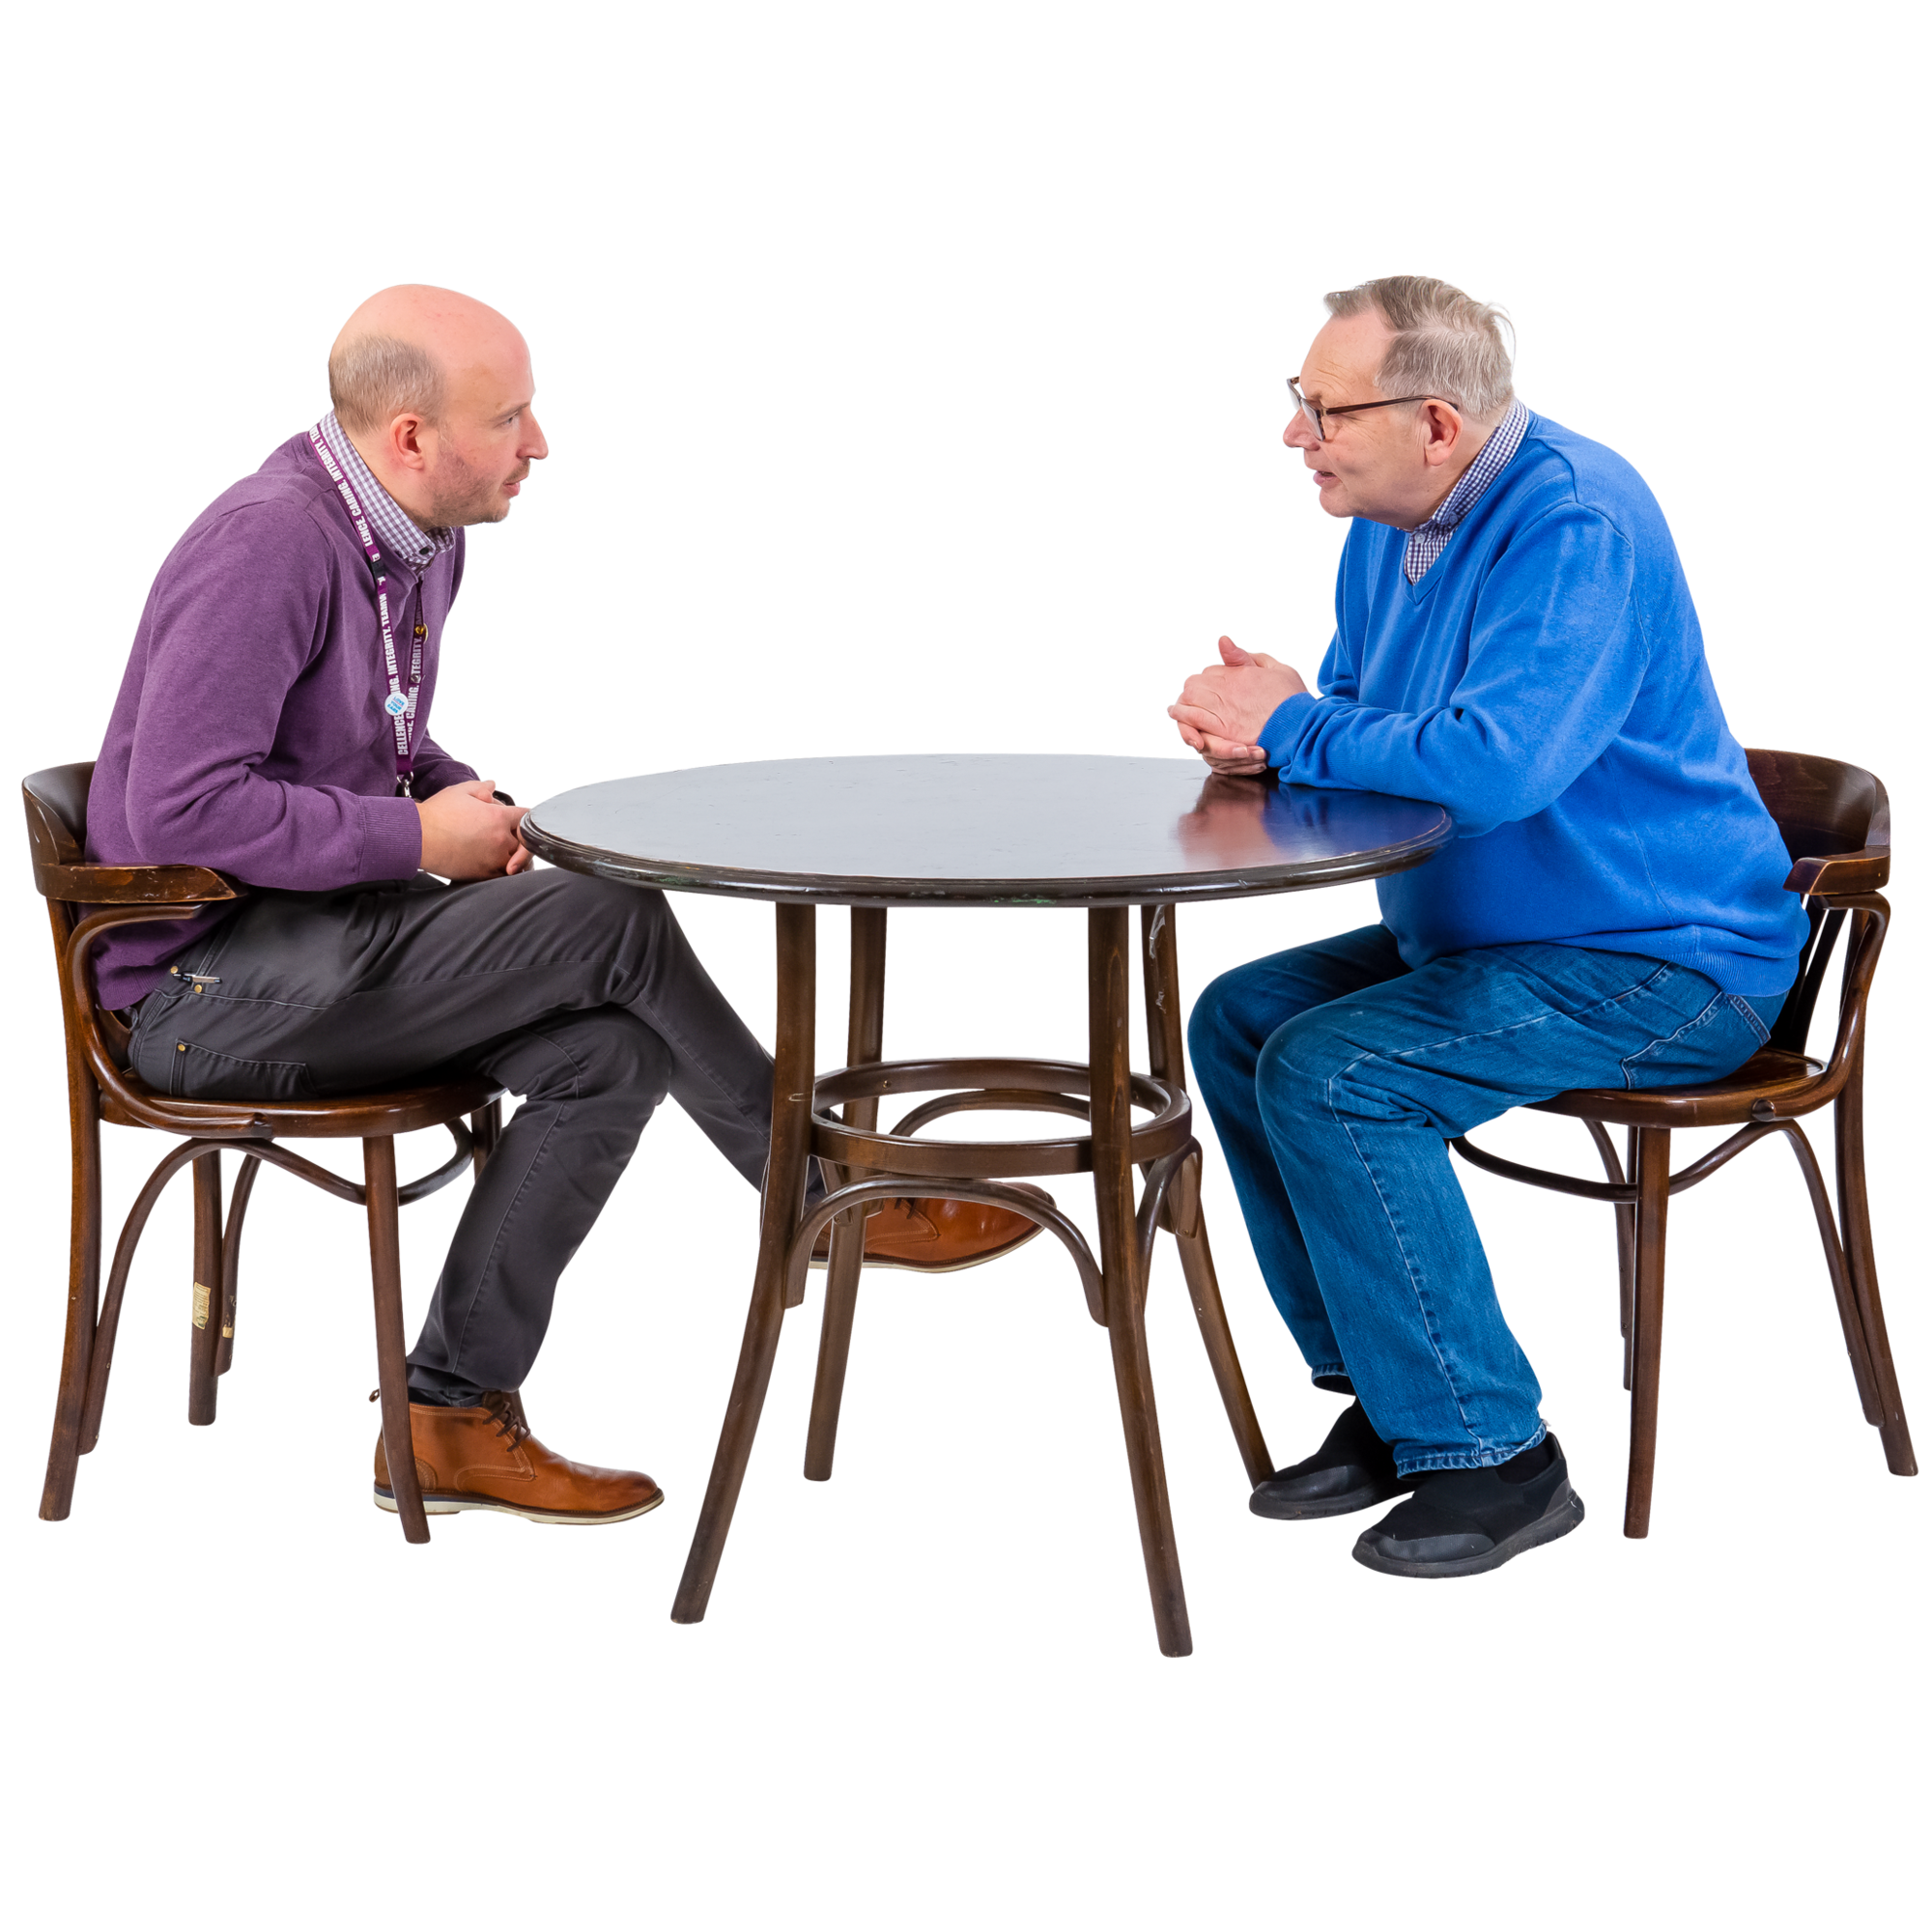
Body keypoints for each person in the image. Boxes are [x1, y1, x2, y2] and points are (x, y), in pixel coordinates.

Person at [88, 282, 1043, 1528]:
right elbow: (180, 812)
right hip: (195, 993)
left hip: (317, 943)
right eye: (515, 416)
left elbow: (383, 743)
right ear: (413, 435)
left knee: (608, 1045)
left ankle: (444, 1417)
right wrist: (419, 838)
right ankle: (820, 1195)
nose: (540, 443)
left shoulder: (421, 537)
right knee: (617, 918)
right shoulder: (269, 539)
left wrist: (464, 807)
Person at [1165, 267, 1807, 1578]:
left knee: (1338, 1070)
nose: (1297, 435)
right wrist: (1277, 744)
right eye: (1300, 402)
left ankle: (1493, 1457)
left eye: (1325, 409)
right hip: (1490, 945)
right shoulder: (1380, 518)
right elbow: (1372, 736)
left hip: (1662, 961)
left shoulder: (1576, 520)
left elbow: (1496, 764)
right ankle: (1384, 1401)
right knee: (1238, 1020)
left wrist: (1293, 726)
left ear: (1437, 423)